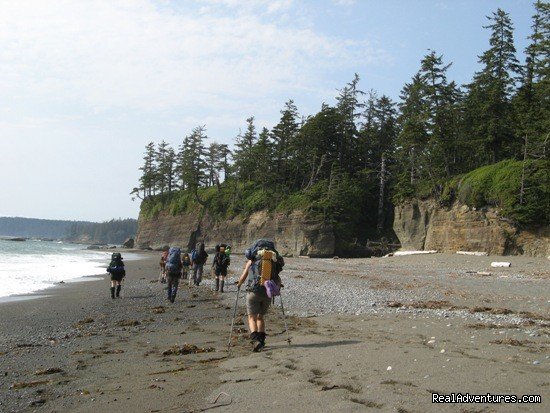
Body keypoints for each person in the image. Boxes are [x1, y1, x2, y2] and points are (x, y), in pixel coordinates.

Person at [236, 241, 283, 352]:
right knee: (260, 317)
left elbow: (243, 276)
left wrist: (239, 284)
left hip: (253, 292)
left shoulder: (252, 261)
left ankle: (255, 339)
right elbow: (278, 279)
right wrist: (278, 286)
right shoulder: (273, 262)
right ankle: (262, 341)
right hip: (267, 294)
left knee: (252, 317)